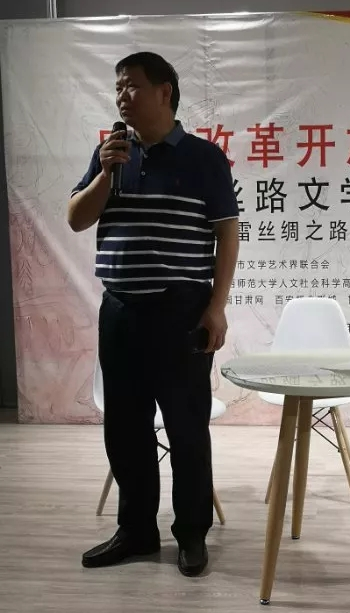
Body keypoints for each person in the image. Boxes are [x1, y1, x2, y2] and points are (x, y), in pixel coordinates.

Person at [68, 52, 239, 577]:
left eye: (133, 86)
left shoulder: (204, 158)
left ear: (165, 92)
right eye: (118, 87)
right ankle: (137, 531)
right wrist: (106, 172)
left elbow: (227, 233)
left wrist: (216, 307)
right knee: (125, 429)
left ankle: (191, 534)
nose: (123, 96)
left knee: (186, 428)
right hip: (120, 310)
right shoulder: (110, 153)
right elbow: (76, 217)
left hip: (180, 312)